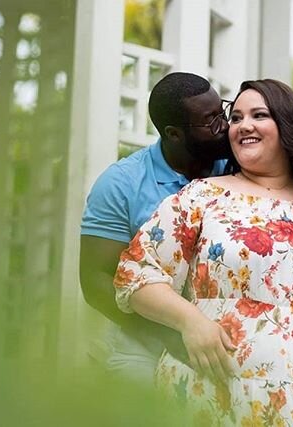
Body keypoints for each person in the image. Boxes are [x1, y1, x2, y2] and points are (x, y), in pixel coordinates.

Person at [113, 78, 293, 426]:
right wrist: (190, 321)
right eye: (236, 118)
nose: (243, 126)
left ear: (288, 127)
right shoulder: (202, 197)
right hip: (213, 393)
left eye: (258, 115)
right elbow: (135, 275)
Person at [79, 72, 231, 383]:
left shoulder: (236, 166)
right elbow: (95, 281)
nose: (225, 127)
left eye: (223, 112)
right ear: (174, 134)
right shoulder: (120, 184)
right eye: (211, 121)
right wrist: (173, 337)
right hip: (142, 347)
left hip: (225, 344)